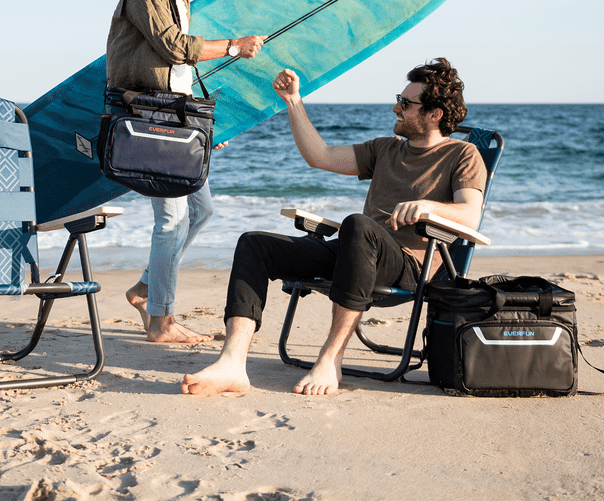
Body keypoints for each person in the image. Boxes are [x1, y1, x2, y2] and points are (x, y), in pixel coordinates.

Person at [181, 57, 486, 394]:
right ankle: (233, 362)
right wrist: (293, 101)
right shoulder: (385, 149)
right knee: (255, 243)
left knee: (357, 225)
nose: (396, 108)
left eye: (405, 103)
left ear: (434, 114)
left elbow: (470, 216)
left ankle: (330, 360)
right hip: (355, 251)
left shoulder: (463, 154)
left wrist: (428, 207)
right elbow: (320, 156)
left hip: (408, 264)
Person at [106, 0, 266, 343]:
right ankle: (161, 321)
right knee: (172, 218)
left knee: (201, 210)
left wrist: (201, 129)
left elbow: (177, 68)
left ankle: (144, 290)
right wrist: (233, 46)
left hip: (175, 113)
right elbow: (174, 48)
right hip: (148, 114)